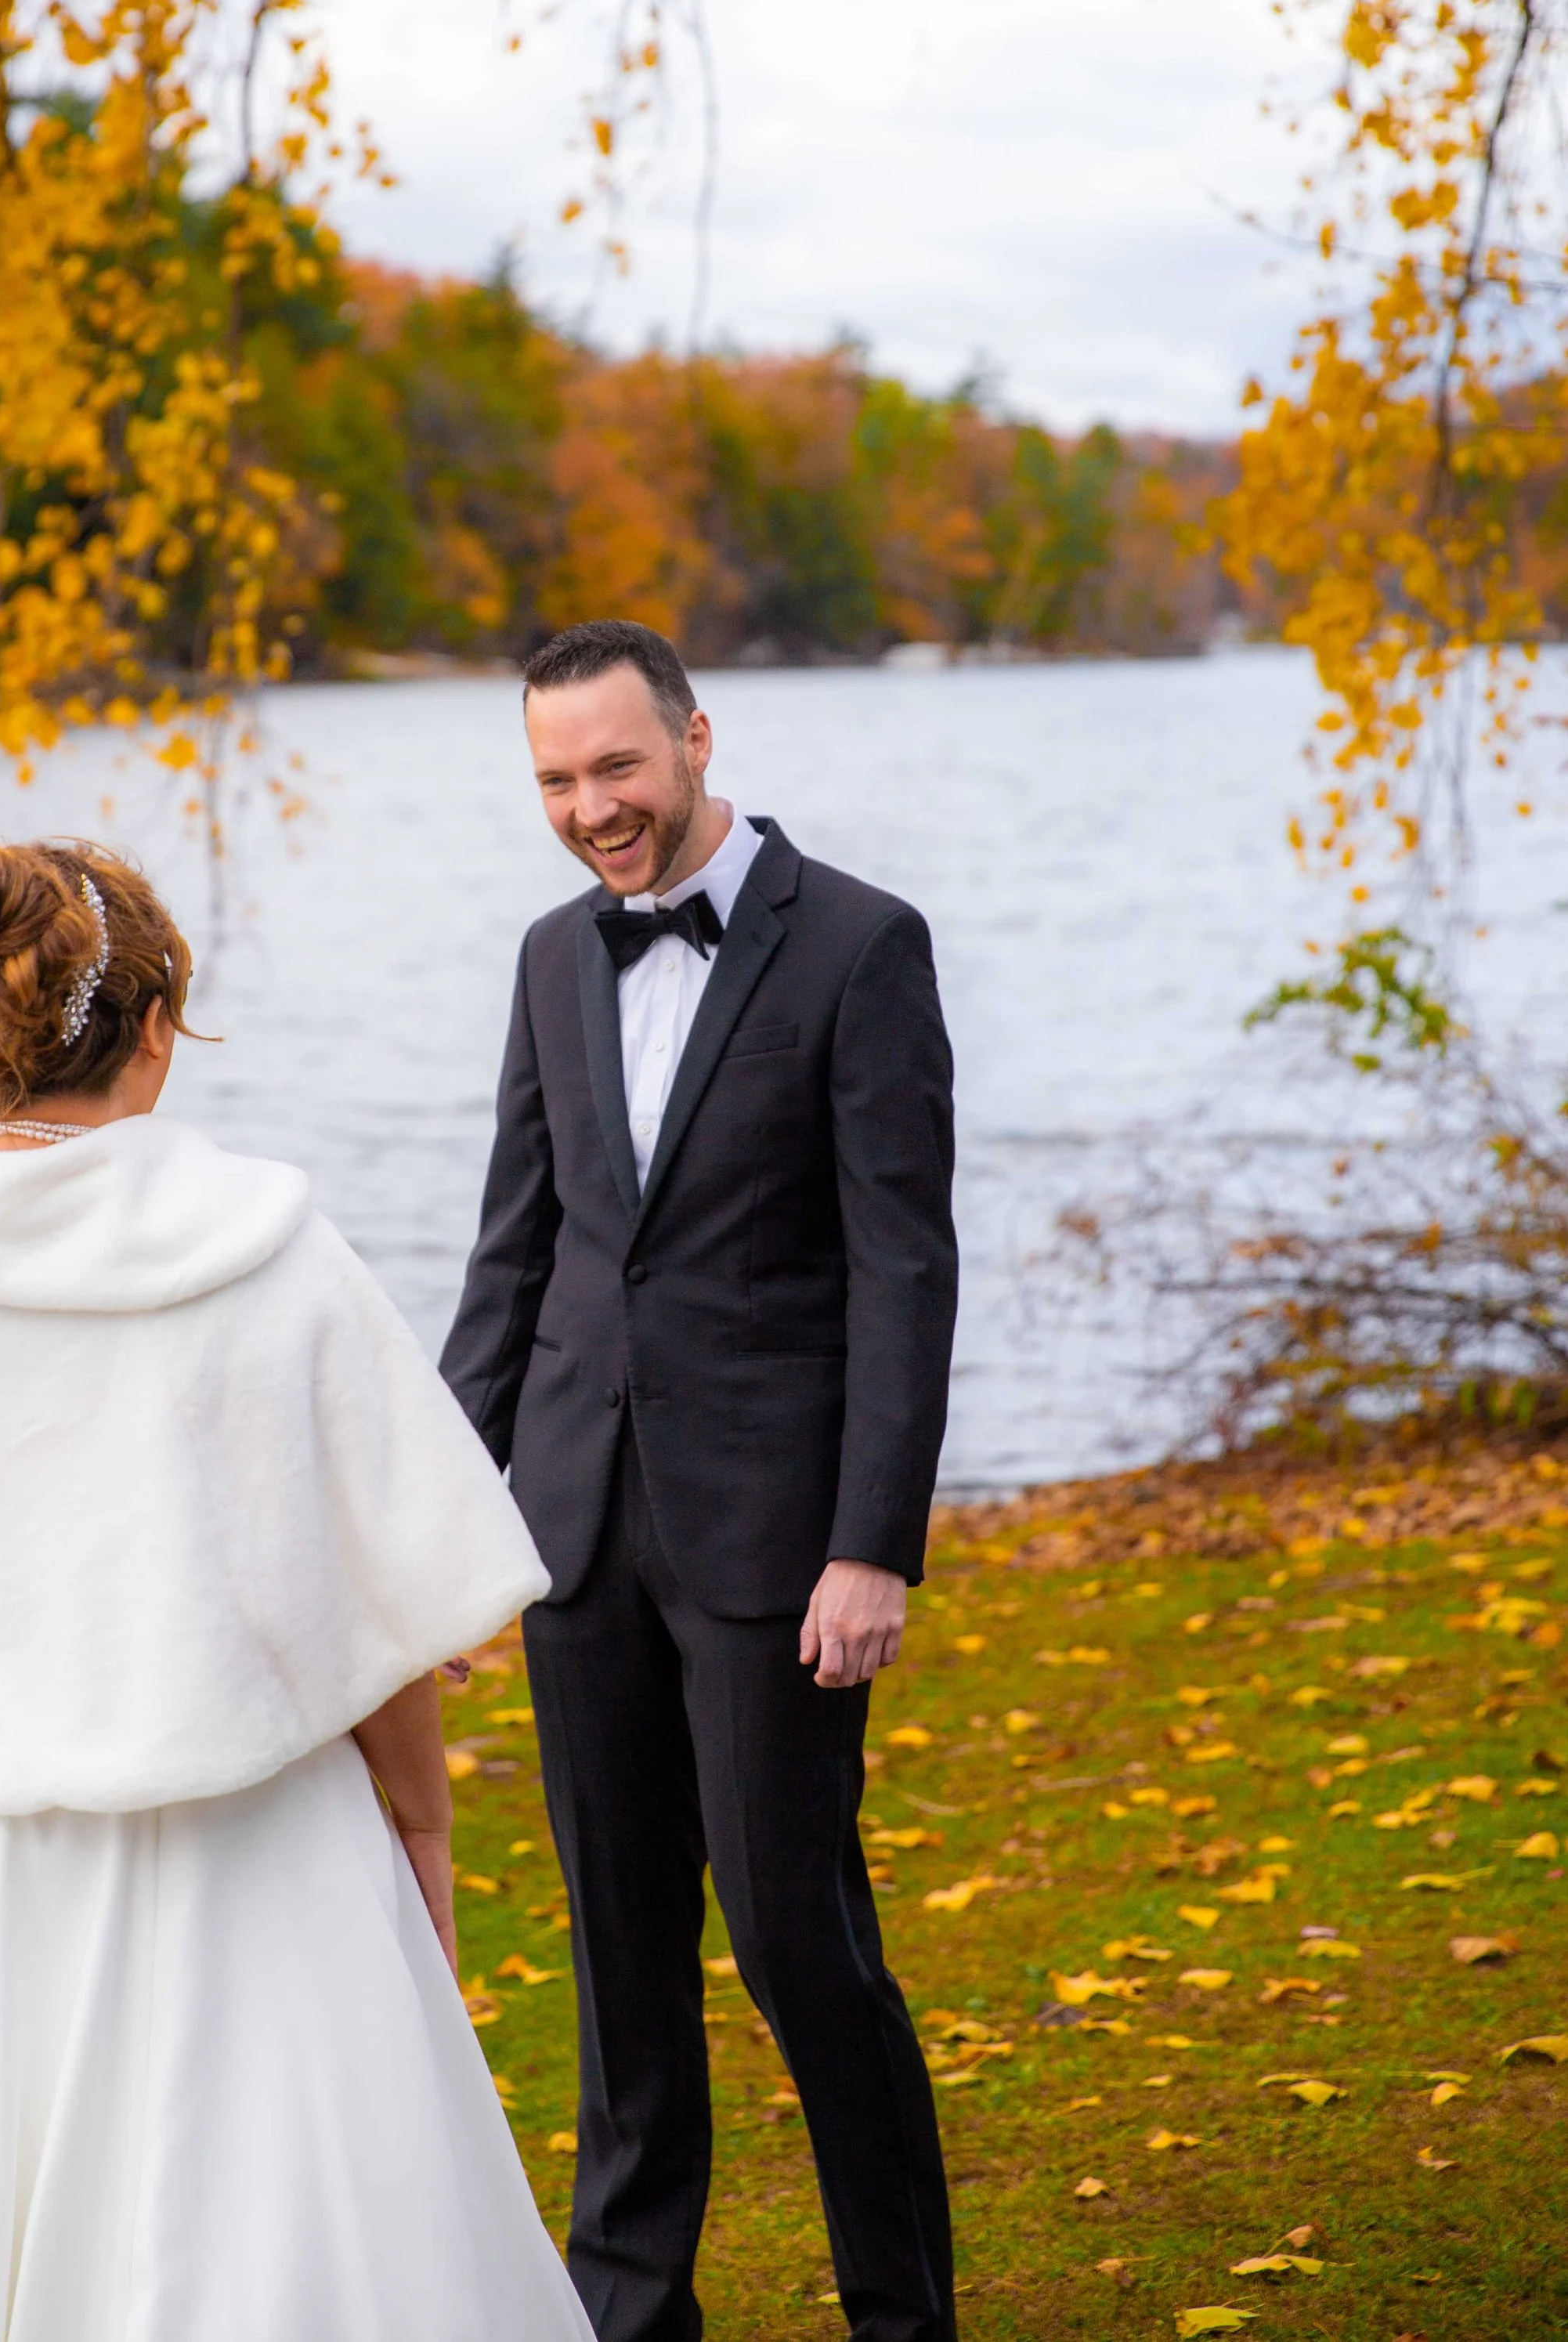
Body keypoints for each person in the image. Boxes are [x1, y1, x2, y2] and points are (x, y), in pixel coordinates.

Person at [0, 839, 593, 2342]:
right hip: (228, 1876)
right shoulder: (263, 1254)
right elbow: (378, 1598)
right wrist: (421, 1823)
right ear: (153, 1023)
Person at [441, 621, 959, 2342]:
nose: (591, 807)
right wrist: (437, 1530)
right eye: (555, 780)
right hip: (575, 1527)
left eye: (616, 767)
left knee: (797, 1945)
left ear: (693, 739)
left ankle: (900, 2314)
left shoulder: (862, 947)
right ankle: (629, 2313)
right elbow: (513, 1259)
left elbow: (902, 1268)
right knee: (617, 1962)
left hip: (773, 1550)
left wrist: (868, 1547)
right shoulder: (544, 960)